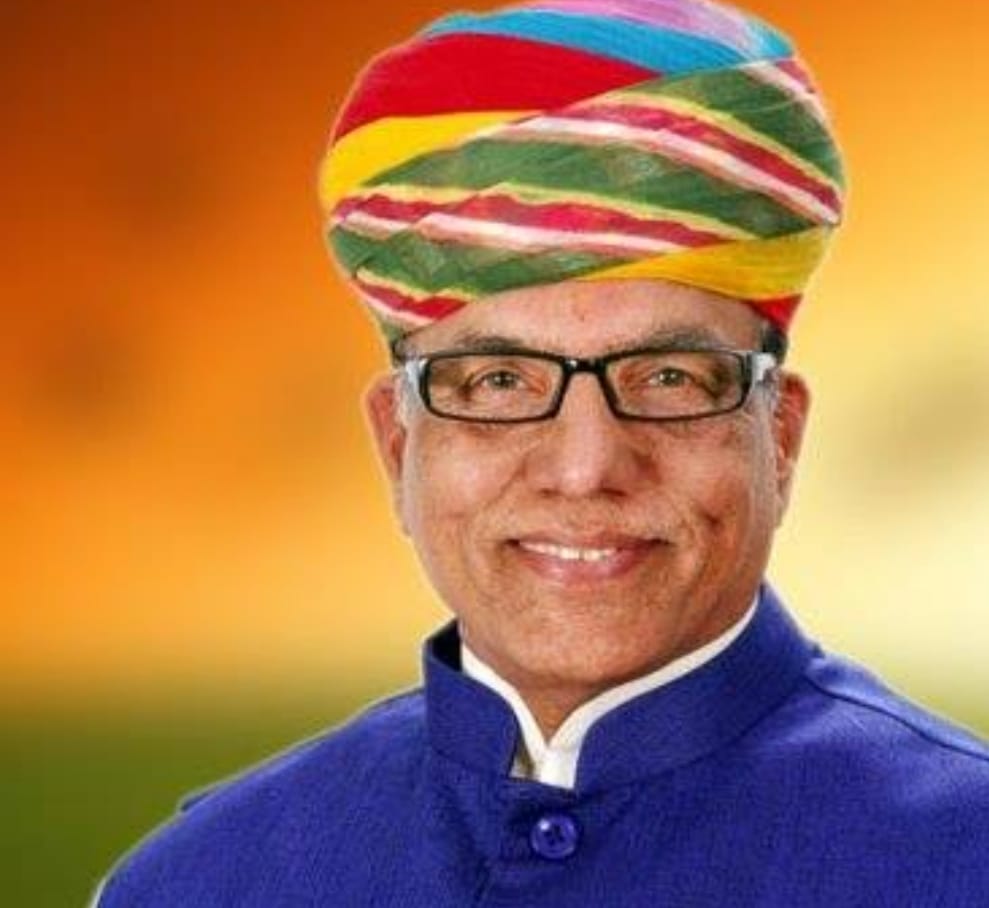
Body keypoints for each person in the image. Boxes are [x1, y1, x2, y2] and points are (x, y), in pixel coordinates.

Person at [94, 0, 989, 904]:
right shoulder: (201, 880)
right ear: (397, 445)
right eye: (497, 382)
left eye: (669, 378)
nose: (584, 467)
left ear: (781, 437)